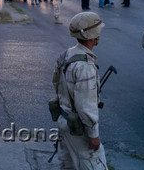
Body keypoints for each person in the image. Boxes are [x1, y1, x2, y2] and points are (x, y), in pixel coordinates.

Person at [52, 12, 107, 170]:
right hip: (78, 129)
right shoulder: (85, 66)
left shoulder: (67, 54)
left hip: (64, 121)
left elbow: (55, 82)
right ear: (92, 37)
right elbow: (86, 105)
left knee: (68, 165)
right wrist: (93, 134)